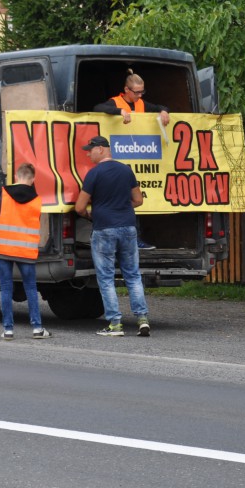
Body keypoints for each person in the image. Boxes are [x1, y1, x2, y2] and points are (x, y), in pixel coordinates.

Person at [74, 135, 151, 337]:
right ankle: (142, 320)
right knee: (133, 274)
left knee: (106, 277)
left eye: (90, 150)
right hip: (128, 226)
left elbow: (80, 206)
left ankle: (115, 324)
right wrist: (122, 207)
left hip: (104, 229)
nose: (88, 153)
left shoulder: (94, 173)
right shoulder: (126, 170)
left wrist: (91, 213)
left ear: (101, 149)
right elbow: (138, 200)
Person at [93, 69, 169, 250]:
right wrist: (118, 111)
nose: (140, 95)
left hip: (139, 158)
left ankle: (137, 240)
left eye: (142, 92)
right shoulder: (116, 101)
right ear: (126, 90)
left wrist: (164, 111)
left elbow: (159, 106)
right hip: (120, 162)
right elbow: (98, 108)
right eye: (137, 92)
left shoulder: (141, 103)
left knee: (139, 201)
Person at [0, 162, 50, 340]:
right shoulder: (37, 200)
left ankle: (8, 330)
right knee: (31, 288)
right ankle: (37, 328)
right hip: (25, 251)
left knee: (6, 288)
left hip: (3, 249)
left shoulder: (3, 192)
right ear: (34, 179)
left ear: (16, 176)